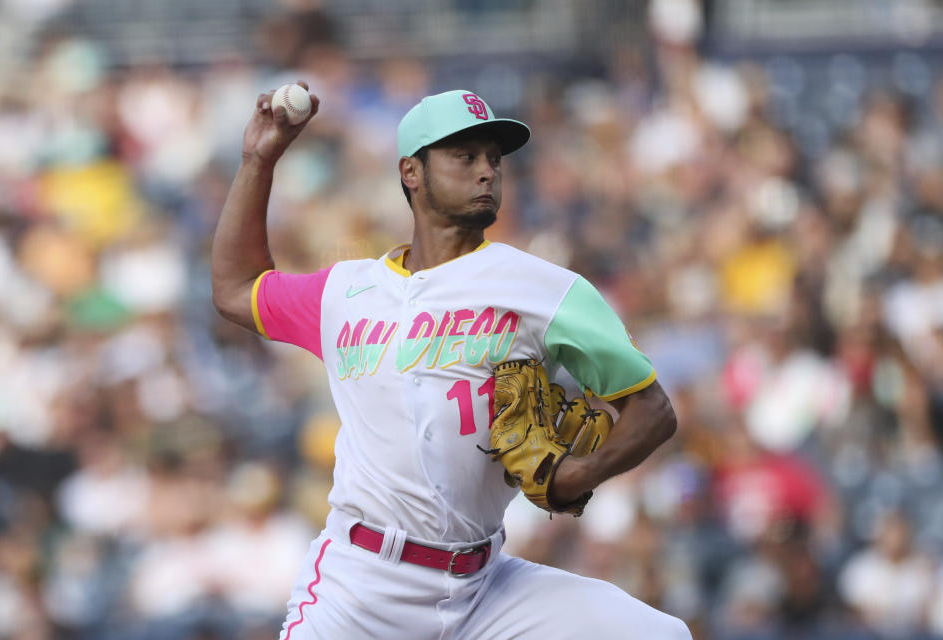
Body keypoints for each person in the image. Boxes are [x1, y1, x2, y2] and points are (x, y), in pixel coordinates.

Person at [211, 82, 692, 639]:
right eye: (464, 156)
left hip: (486, 589)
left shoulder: (544, 289)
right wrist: (258, 159)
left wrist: (578, 474)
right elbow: (235, 289)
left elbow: (653, 410)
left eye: (493, 158)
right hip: (361, 588)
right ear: (411, 172)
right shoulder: (345, 293)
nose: (487, 170)